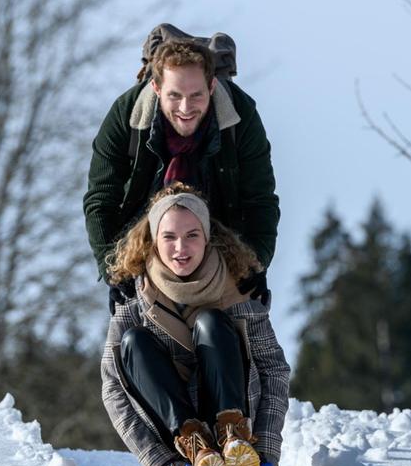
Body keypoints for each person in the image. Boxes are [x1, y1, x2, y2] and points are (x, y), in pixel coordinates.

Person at [100, 183, 290, 466]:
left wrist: (267, 447)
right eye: (169, 237)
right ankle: (195, 442)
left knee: (212, 321)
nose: (180, 248)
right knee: (132, 342)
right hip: (174, 429)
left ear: (206, 238)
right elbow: (112, 388)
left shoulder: (238, 292)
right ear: (152, 240)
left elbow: (274, 371)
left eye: (192, 235)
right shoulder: (134, 300)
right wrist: (160, 461)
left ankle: (231, 435)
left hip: (237, 410)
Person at [83, 37, 280, 314]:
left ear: (211, 87)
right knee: (136, 344)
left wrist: (256, 264)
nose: (186, 108)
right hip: (145, 253)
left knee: (227, 338)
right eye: (175, 95)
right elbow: (101, 199)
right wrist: (111, 269)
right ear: (156, 87)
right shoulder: (125, 116)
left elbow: (260, 200)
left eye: (196, 95)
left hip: (221, 252)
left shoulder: (240, 116)